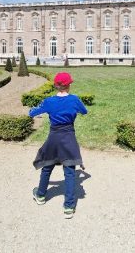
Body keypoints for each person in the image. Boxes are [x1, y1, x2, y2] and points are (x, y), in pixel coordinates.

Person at [29, 72, 88, 219]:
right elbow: (84, 111)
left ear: (56, 86)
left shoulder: (49, 101)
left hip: (54, 137)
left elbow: (32, 113)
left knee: (47, 166)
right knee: (69, 171)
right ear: (69, 85)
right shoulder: (74, 100)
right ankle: (68, 206)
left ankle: (41, 195)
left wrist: (35, 108)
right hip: (68, 137)